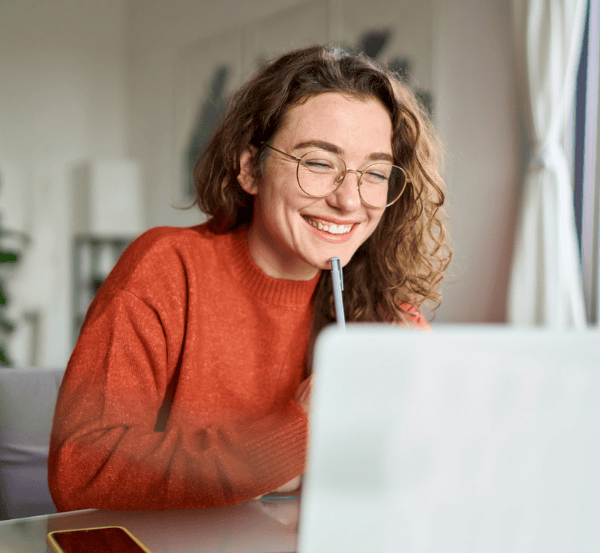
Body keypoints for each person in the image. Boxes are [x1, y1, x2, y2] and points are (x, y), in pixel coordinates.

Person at [48, 45, 451, 511]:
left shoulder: (382, 301)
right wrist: (297, 431)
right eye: (319, 163)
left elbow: (424, 468)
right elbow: (81, 471)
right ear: (248, 168)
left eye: (375, 173)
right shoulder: (166, 268)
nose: (349, 199)